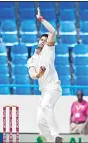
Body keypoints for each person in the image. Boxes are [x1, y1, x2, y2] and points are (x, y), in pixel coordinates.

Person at [27, 7, 63, 143]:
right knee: (40, 121)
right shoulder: (31, 59)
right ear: (38, 41)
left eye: (45, 40)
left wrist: (41, 20)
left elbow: (52, 31)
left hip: (53, 87)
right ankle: (51, 140)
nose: (43, 41)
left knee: (46, 106)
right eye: (41, 39)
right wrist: (38, 74)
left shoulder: (49, 50)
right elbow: (32, 74)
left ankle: (56, 135)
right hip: (44, 91)